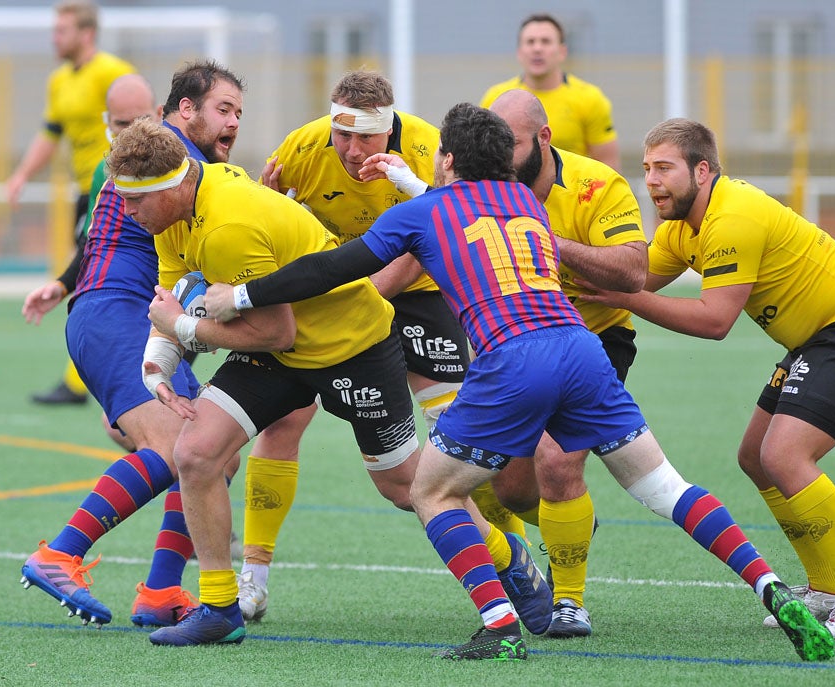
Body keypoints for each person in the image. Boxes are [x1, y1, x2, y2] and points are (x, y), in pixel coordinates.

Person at [203, 103, 835, 662]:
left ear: (447, 159)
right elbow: (465, 213)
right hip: (581, 350)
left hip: (513, 359)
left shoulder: (426, 211)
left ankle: (499, 621)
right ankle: (770, 586)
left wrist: (245, 294)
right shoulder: (525, 202)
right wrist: (411, 181)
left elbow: (337, 266)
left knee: (431, 492)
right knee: (666, 486)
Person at [103, 116, 550, 647]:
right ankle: (220, 606)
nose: (128, 215)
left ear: (176, 185)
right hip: (284, 353)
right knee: (197, 453)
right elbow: (176, 287)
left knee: (408, 487)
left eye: (136, 203)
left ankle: (508, 558)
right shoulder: (177, 210)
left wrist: (182, 329)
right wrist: (158, 360)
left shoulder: (226, 226)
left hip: (351, 347)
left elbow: (272, 329)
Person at [576, 117, 835, 642]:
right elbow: (633, 275)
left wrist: (623, 299)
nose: (652, 181)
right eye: (646, 170)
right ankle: (824, 584)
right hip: (820, 341)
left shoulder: (731, 216)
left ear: (702, 170)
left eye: (664, 168)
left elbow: (713, 321)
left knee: (783, 456)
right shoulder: (682, 229)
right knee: (755, 457)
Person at [236, 69, 530, 623]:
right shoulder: (302, 147)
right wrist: (265, 200)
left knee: (463, 440)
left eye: (364, 137)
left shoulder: (425, 148)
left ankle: (507, 564)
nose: (350, 149)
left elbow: (436, 237)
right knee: (281, 425)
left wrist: (366, 300)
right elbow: (266, 221)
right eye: (341, 135)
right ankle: (253, 578)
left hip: (413, 290)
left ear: (389, 130)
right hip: (332, 295)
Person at [358, 88, 645, 638]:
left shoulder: (596, 185)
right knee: (510, 489)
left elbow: (633, 271)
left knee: (557, 462)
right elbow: (425, 241)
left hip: (589, 339)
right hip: (511, 349)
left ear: (543, 139)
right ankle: (549, 542)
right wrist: (360, 304)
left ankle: (568, 601)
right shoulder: (476, 191)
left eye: (514, 143)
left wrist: (543, 241)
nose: (502, 157)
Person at [19, 61, 246, 630]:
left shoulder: (159, 156)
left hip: (130, 316)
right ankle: (59, 554)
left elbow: (109, 232)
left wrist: (62, 281)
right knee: (176, 449)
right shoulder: (173, 158)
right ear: (185, 109)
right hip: (115, 315)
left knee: (215, 453)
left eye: (239, 113)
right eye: (224, 109)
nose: (234, 123)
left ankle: (161, 592)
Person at [7, 0, 136, 406]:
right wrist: (23, 174)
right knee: (86, 271)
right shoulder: (59, 80)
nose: (54, 38)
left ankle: (79, 379)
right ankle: (86, 373)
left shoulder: (113, 72)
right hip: (85, 191)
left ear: (86, 34)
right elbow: (50, 133)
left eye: (62, 30)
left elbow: (144, 112)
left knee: (90, 273)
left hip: (115, 190)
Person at [479, 13, 620, 171]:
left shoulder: (590, 98)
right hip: (513, 193)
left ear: (562, 51)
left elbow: (608, 165)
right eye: (530, 42)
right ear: (519, 52)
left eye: (545, 41)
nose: (537, 48)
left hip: (571, 194)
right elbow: (484, 157)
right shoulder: (496, 98)